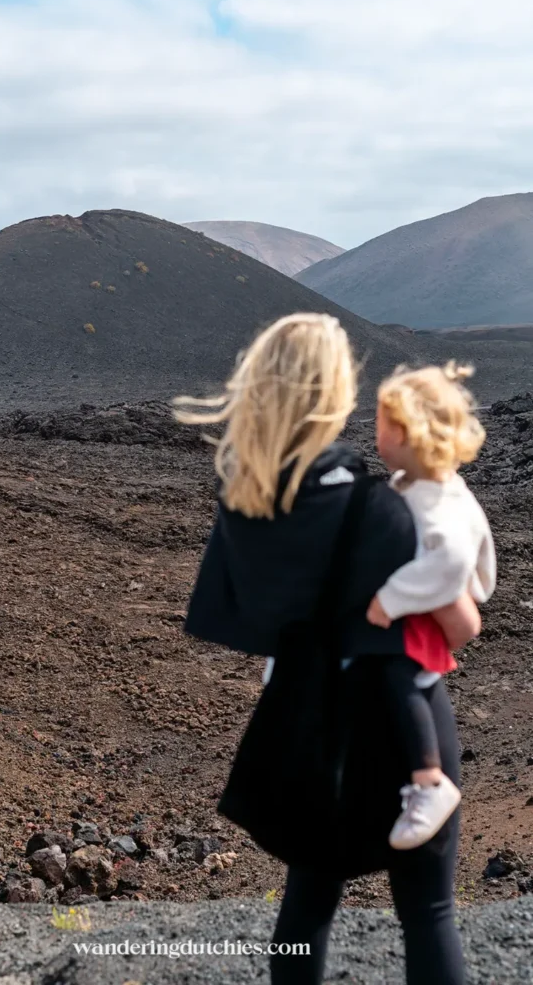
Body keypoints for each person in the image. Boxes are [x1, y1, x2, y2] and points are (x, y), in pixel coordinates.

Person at [176, 313, 480, 985]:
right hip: (403, 730)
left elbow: (246, 617)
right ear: (335, 394)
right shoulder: (377, 508)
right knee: (427, 913)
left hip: (304, 726)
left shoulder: (245, 503)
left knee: (306, 907)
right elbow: (460, 625)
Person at [366, 363, 496, 850]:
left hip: (423, 614)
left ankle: (428, 780)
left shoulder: (437, 500)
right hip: (429, 608)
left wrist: (390, 598)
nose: (375, 434)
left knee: (401, 675)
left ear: (403, 432)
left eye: (381, 424)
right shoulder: (419, 484)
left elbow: (451, 563)